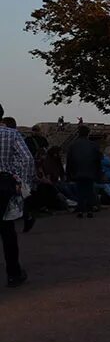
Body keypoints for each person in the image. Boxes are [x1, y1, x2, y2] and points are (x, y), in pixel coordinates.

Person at [1, 104, 35, 287]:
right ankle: (13, 273)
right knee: (7, 230)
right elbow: (27, 159)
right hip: (3, 183)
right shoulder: (11, 134)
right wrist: (22, 181)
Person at [65, 125, 102, 218]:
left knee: (80, 191)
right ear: (88, 134)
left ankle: (80, 210)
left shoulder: (73, 145)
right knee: (89, 191)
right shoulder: (93, 145)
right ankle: (89, 210)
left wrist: (68, 174)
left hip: (77, 171)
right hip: (90, 170)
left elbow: (69, 161)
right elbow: (97, 160)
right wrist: (98, 173)